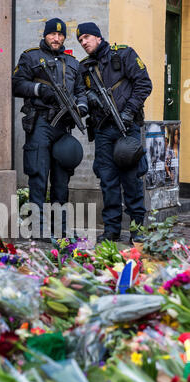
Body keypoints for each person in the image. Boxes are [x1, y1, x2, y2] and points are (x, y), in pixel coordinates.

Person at [77, 22, 152, 243]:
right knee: (108, 181)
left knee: (131, 179)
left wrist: (129, 111)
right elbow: (80, 94)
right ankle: (111, 230)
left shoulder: (124, 54)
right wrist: (89, 99)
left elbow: (144, 84)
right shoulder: (84, 67)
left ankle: (137, 228)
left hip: (127, 127)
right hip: (102, 131)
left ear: (99, 37)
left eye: (87, 37)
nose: (84, 42)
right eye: (80, 40)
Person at [12, 18, 88, 239]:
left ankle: (61, 227)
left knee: (62, 179)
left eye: (61, 35)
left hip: (63, 126)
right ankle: (37, 228)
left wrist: (81, 107)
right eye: (53, 35)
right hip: (41, 123)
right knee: (38, 175)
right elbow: (16, 83)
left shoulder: (73, 63)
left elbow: (81, 90)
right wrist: (39, 90)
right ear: (45, 35)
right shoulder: (31, 56)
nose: (57, 38)